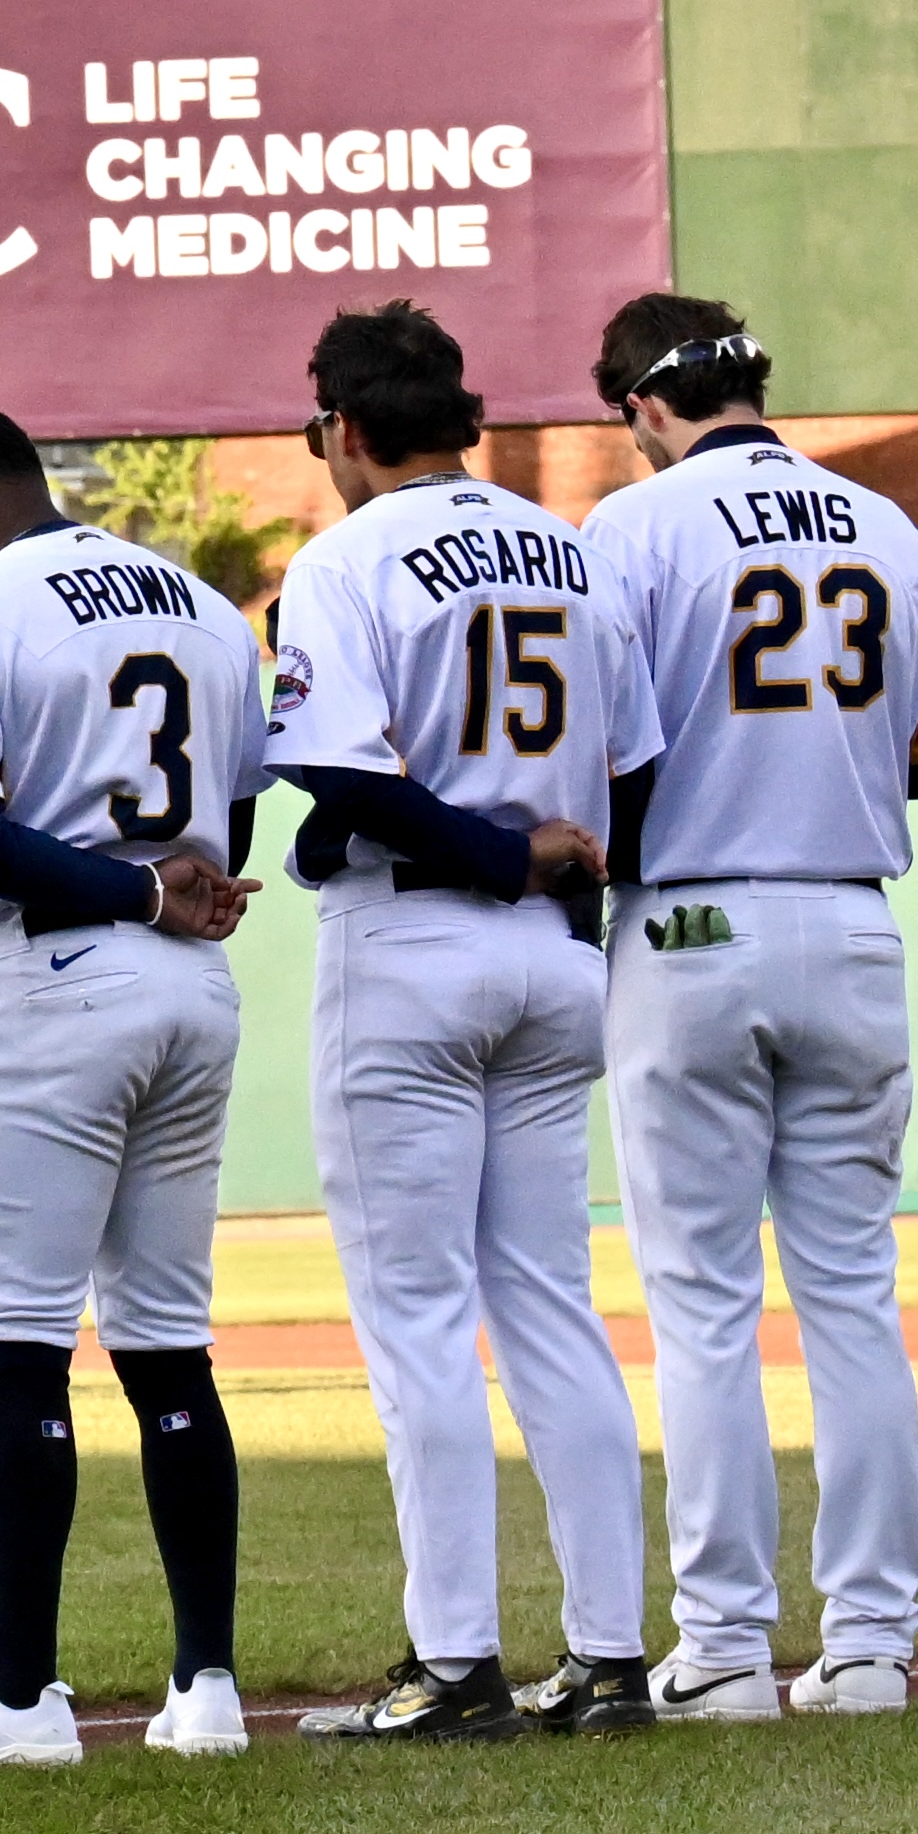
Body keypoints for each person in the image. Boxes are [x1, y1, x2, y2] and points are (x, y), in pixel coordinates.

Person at [574, 292, 918, 1719]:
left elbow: (598, 763)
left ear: (642, 409)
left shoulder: (630, 533)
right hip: (855, 919)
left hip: (689, 919)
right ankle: (870, 1646)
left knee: (703, 1309)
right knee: (854, 1300)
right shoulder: (886, 527)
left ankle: (731, 1649)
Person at [259, 301, 646, 1738]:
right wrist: (558, 889)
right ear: (466, 423)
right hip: (556, 962)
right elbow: (638, 768)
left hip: (417, 941)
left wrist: (492, 853)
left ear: (349, 431)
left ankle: (456, 1663)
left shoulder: (345, 557)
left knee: (419, 1321)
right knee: (552, 1306)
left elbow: (345, 781)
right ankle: (611, 1657)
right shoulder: (572, 550)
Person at [0, 404, 264, 1765]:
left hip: (53, 974)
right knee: (169, 1343)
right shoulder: (206, 607)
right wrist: (162, 887)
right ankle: (206, 1688)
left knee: (17, 1344)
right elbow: (236, 817)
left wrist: (122, 887)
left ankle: (21, 1698)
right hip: (191, 990)